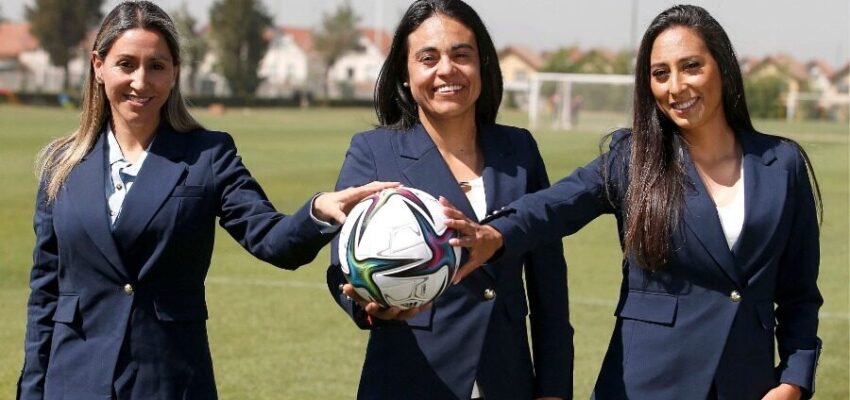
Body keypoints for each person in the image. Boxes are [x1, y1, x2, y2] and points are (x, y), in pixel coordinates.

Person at [17, 2, 395, 399]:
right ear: (98, 66)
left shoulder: (208, 155)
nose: (141, 81)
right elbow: (45, 295)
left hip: (168, 379)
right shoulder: (61, 166)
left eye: (157, 66)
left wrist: (318, 211)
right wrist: (31, 390)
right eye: (126, 64)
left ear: (176, 71)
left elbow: (272, 238)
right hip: (73, 380)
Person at [444, 5, 822, 400]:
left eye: (691, 66)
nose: (675, 87)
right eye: (660, 74)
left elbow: (800, 294)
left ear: (722, 68)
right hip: (646, 383)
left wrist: (793, 382)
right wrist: (494, 234)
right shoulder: (634, 159)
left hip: (746, 384)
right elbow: (554, 206)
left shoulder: (784, 164)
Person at [326, 0, 572, 399]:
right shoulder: (374, 151)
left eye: (462, 55)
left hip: (507, 380)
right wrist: (369, 306)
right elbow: (342, 266)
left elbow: (550, 288)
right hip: (410, 381)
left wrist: (553, 390)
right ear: (405, 74)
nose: (447, 70)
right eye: (428, 58)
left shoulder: (520, 149)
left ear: (482, 66)